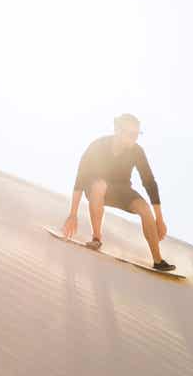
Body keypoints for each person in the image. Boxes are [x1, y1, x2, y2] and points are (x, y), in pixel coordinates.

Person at [61, 114, 175, 272]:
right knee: (99, 185)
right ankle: (96, 238)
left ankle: (158, 260)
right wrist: (73, 214)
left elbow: (149, 182)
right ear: (117, 129)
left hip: (122, 190)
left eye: (136, 135)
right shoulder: (98, 146)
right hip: (96, 189)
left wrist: (160, 219)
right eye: (130, 134)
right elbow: (80, 179)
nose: (133, 139)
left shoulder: (136, 151)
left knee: (144, 208)